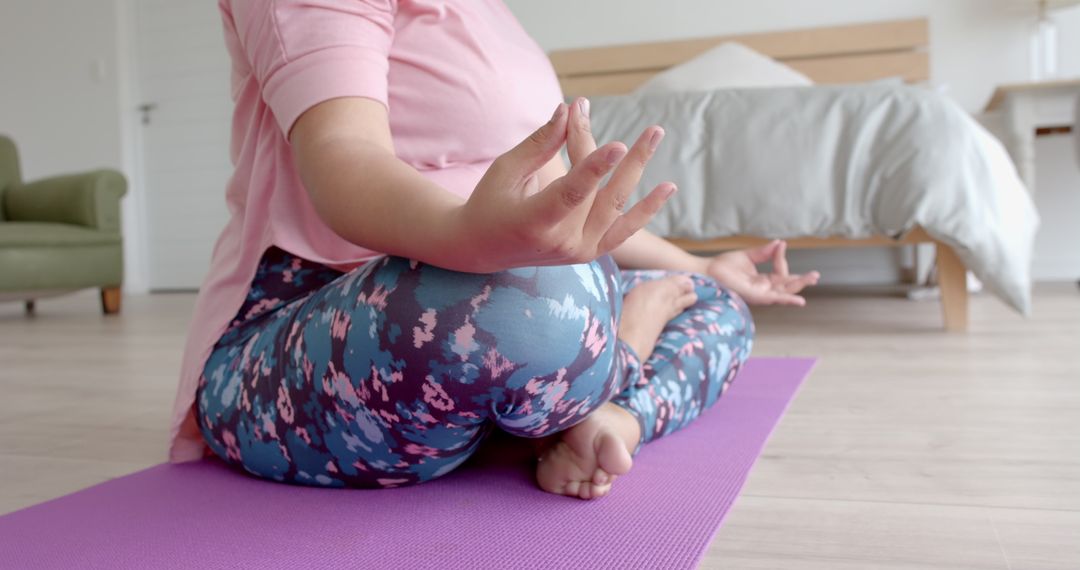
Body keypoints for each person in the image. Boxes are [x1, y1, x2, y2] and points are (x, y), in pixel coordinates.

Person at [169, 0, 819, 500]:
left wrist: (705, 266)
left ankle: (611, 422)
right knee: (521, 310)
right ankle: (613, 365)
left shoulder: (493, 15)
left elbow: (554, 218)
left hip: (510, 319)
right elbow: (345, 156)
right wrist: (474, 244)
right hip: (299, 340)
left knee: (716, 305)